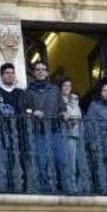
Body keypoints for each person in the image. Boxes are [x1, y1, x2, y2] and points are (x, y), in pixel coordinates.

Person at [25, 61, 66, 193]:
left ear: (47, 72)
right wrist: (32, 113)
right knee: (41, 162)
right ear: (34, 73)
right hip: (38, 132)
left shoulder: (55, 90)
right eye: (37, 70)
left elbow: (62, 107)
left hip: (55, 130)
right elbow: (24, 110)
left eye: (43, 69)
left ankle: (62, 189)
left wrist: (64, 113)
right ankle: (45, 190)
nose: (40, 71)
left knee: (61, 160)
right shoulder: (28, 91)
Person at [59, 78, 82, 193]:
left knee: (78, 162)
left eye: (69, 85)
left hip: (77, 133)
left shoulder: (75, 100)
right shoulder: (58, 100)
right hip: (66, 134)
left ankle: (78, 186)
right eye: (65, 85)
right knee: (69, 162)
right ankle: (70, 186)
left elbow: (77, 115)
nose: (67, 88)